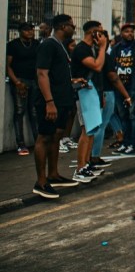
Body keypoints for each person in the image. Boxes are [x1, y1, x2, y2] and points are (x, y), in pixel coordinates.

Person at [31, 14, 82, 199]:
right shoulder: (48, 45)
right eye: (71, 25)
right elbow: (42, 74)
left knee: (56, 136)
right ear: (62, 26)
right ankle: (41, 182)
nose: (74, 27)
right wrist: (49, 102)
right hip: (50, 102)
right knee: (44, 138)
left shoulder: (60, 46)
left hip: (62, 101)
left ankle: (53, 175)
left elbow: (56, 74)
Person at [69, 20, 108, 183]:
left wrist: (101, 96)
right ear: (92, 32)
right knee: (86, 131)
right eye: (99, 31)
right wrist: (103, 48)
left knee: (92, 130)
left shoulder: (92, 49)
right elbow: (97, 67)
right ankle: (79, 167)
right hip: (84, 94)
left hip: (94, 93)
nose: (102, 35)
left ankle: (86, 164)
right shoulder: (81, 49)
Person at [6, 23, 40, 155]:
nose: (30, 32)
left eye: (31, 29)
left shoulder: (36, 44)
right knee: (20, 111)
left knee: (34, 111)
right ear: (20, 31)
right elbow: (8, 66)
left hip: (34, 80)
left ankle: (38, 141)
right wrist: (17, 82)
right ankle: (20, 144)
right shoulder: (13, 45)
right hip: (20, 80)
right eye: (26, 30)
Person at [113, 23, 135, 154]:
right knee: (123, 116)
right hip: (120, 87)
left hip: (133, 87)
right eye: (126, 31)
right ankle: (125, 143)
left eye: (132, 31)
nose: (130, 33)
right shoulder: (116, 49)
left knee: (133, 115)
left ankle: (134, 144)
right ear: (121, 33)